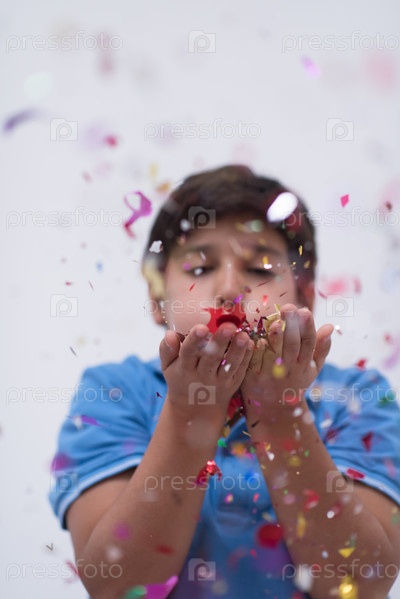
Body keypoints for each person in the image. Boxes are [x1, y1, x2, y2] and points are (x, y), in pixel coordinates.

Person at [49, 165, 400, 599]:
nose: (231, 289)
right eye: (200, 268)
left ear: (305, 294)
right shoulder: (113, 392)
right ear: (158, 298)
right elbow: (117, 585)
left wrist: (280, 411)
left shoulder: (357, 397)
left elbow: (361, 586)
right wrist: (191, 411)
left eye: (259, 267)